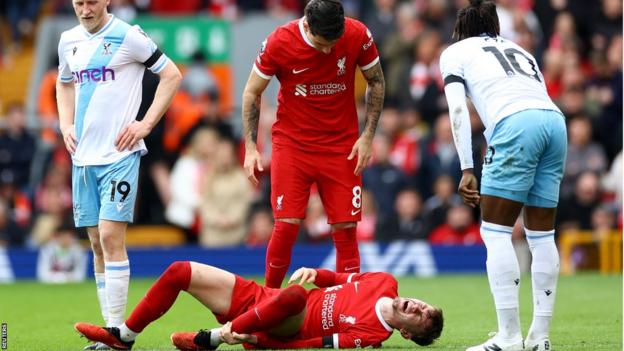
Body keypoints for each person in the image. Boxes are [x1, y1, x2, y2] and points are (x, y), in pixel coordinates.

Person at [439, 1, 567, 351]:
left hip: (515, 125)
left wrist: (467, 167)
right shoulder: (521, 50)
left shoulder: (455, 51)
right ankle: (540, 338)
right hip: (554, 122)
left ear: (460, 28)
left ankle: (509, 337)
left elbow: (456, 109)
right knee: (542, 236)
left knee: (495, 232)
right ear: (494, 25)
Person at [56, 0, 182, 349]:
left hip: (119, 155)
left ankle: (115, 334)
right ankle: (109, 332)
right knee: (96, 242)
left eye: (91, 2)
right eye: (78, 2)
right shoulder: (68, 40)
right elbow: (64, 83)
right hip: (82, 158)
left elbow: (171, 74)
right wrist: (65, 123)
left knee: (111, 236)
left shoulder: (129, 36)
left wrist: (145, 124)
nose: (85, 9)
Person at [241, 0, 385, 288]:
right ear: (306, 25)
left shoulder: (358, 34)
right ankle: (268, 299)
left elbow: (376, 81)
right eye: (322, 44)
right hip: (293, 145)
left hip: (342, 145)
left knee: (346, 227)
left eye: (334, 43)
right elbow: (251, 92)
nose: (329, 50)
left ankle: (346, 305)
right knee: (286, 225)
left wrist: (367, 137)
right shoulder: (279, 42)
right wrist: (250, 147)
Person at [74, 262, 443, 350]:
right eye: (425, 305)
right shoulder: (385, 281)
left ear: (407, 332)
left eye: (421, 318)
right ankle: (124, 336)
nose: (418, 307)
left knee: (296, 297)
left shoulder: (372, 335)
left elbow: (312, 345)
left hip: (285, 323)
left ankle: (215, 337)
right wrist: (316, 271)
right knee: (179, 272)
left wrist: (264, 342)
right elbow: (342, 280)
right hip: (264, 301)